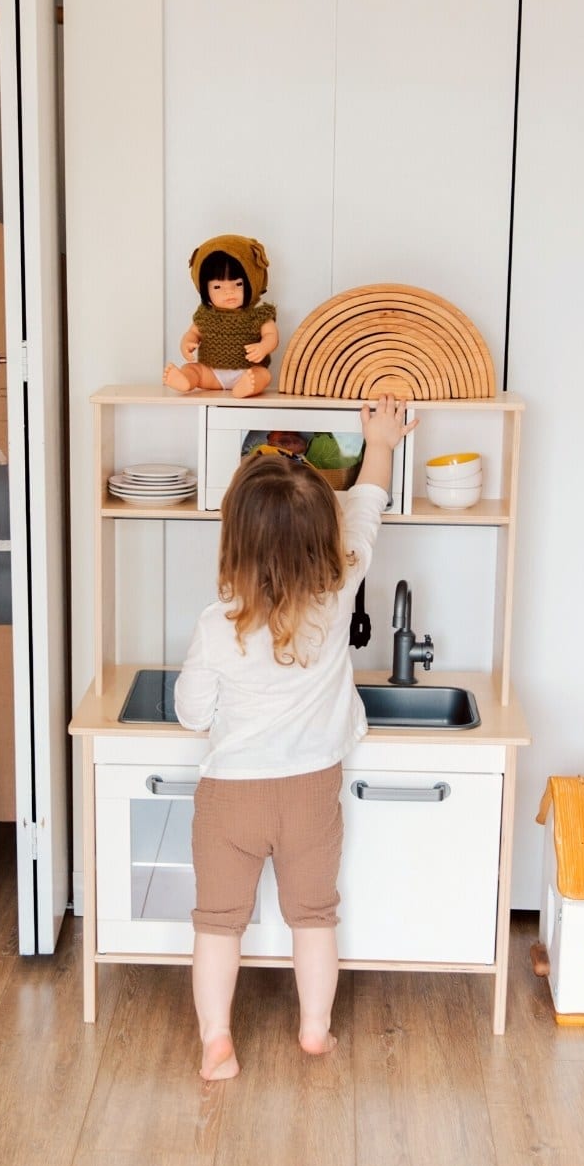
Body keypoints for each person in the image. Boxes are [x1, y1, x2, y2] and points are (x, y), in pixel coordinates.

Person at [174, 395, 418, 1079]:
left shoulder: (217, 622)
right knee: (314, 917)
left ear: (234, 538)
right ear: (323, 540)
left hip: (230, 798)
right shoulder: (336, 593)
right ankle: (314, 1032)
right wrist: (381, 443)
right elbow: (366, 512)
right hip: (311, 790)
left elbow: (193, 714)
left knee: (218, 923)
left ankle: (216, 1042)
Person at [163, 234, 279, 397]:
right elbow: (193, 333)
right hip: (212, 373)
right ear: (205, 290)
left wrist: (264, 347)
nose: (229, 291)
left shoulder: (258, 312)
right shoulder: (205, 315)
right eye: (217, 287)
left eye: (238, 284)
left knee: (264, 375)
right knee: (193, 369)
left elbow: (271, 335)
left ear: (252, 281)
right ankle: (186, 380)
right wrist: (187, 343)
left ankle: (246, 387)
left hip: (247, 371)